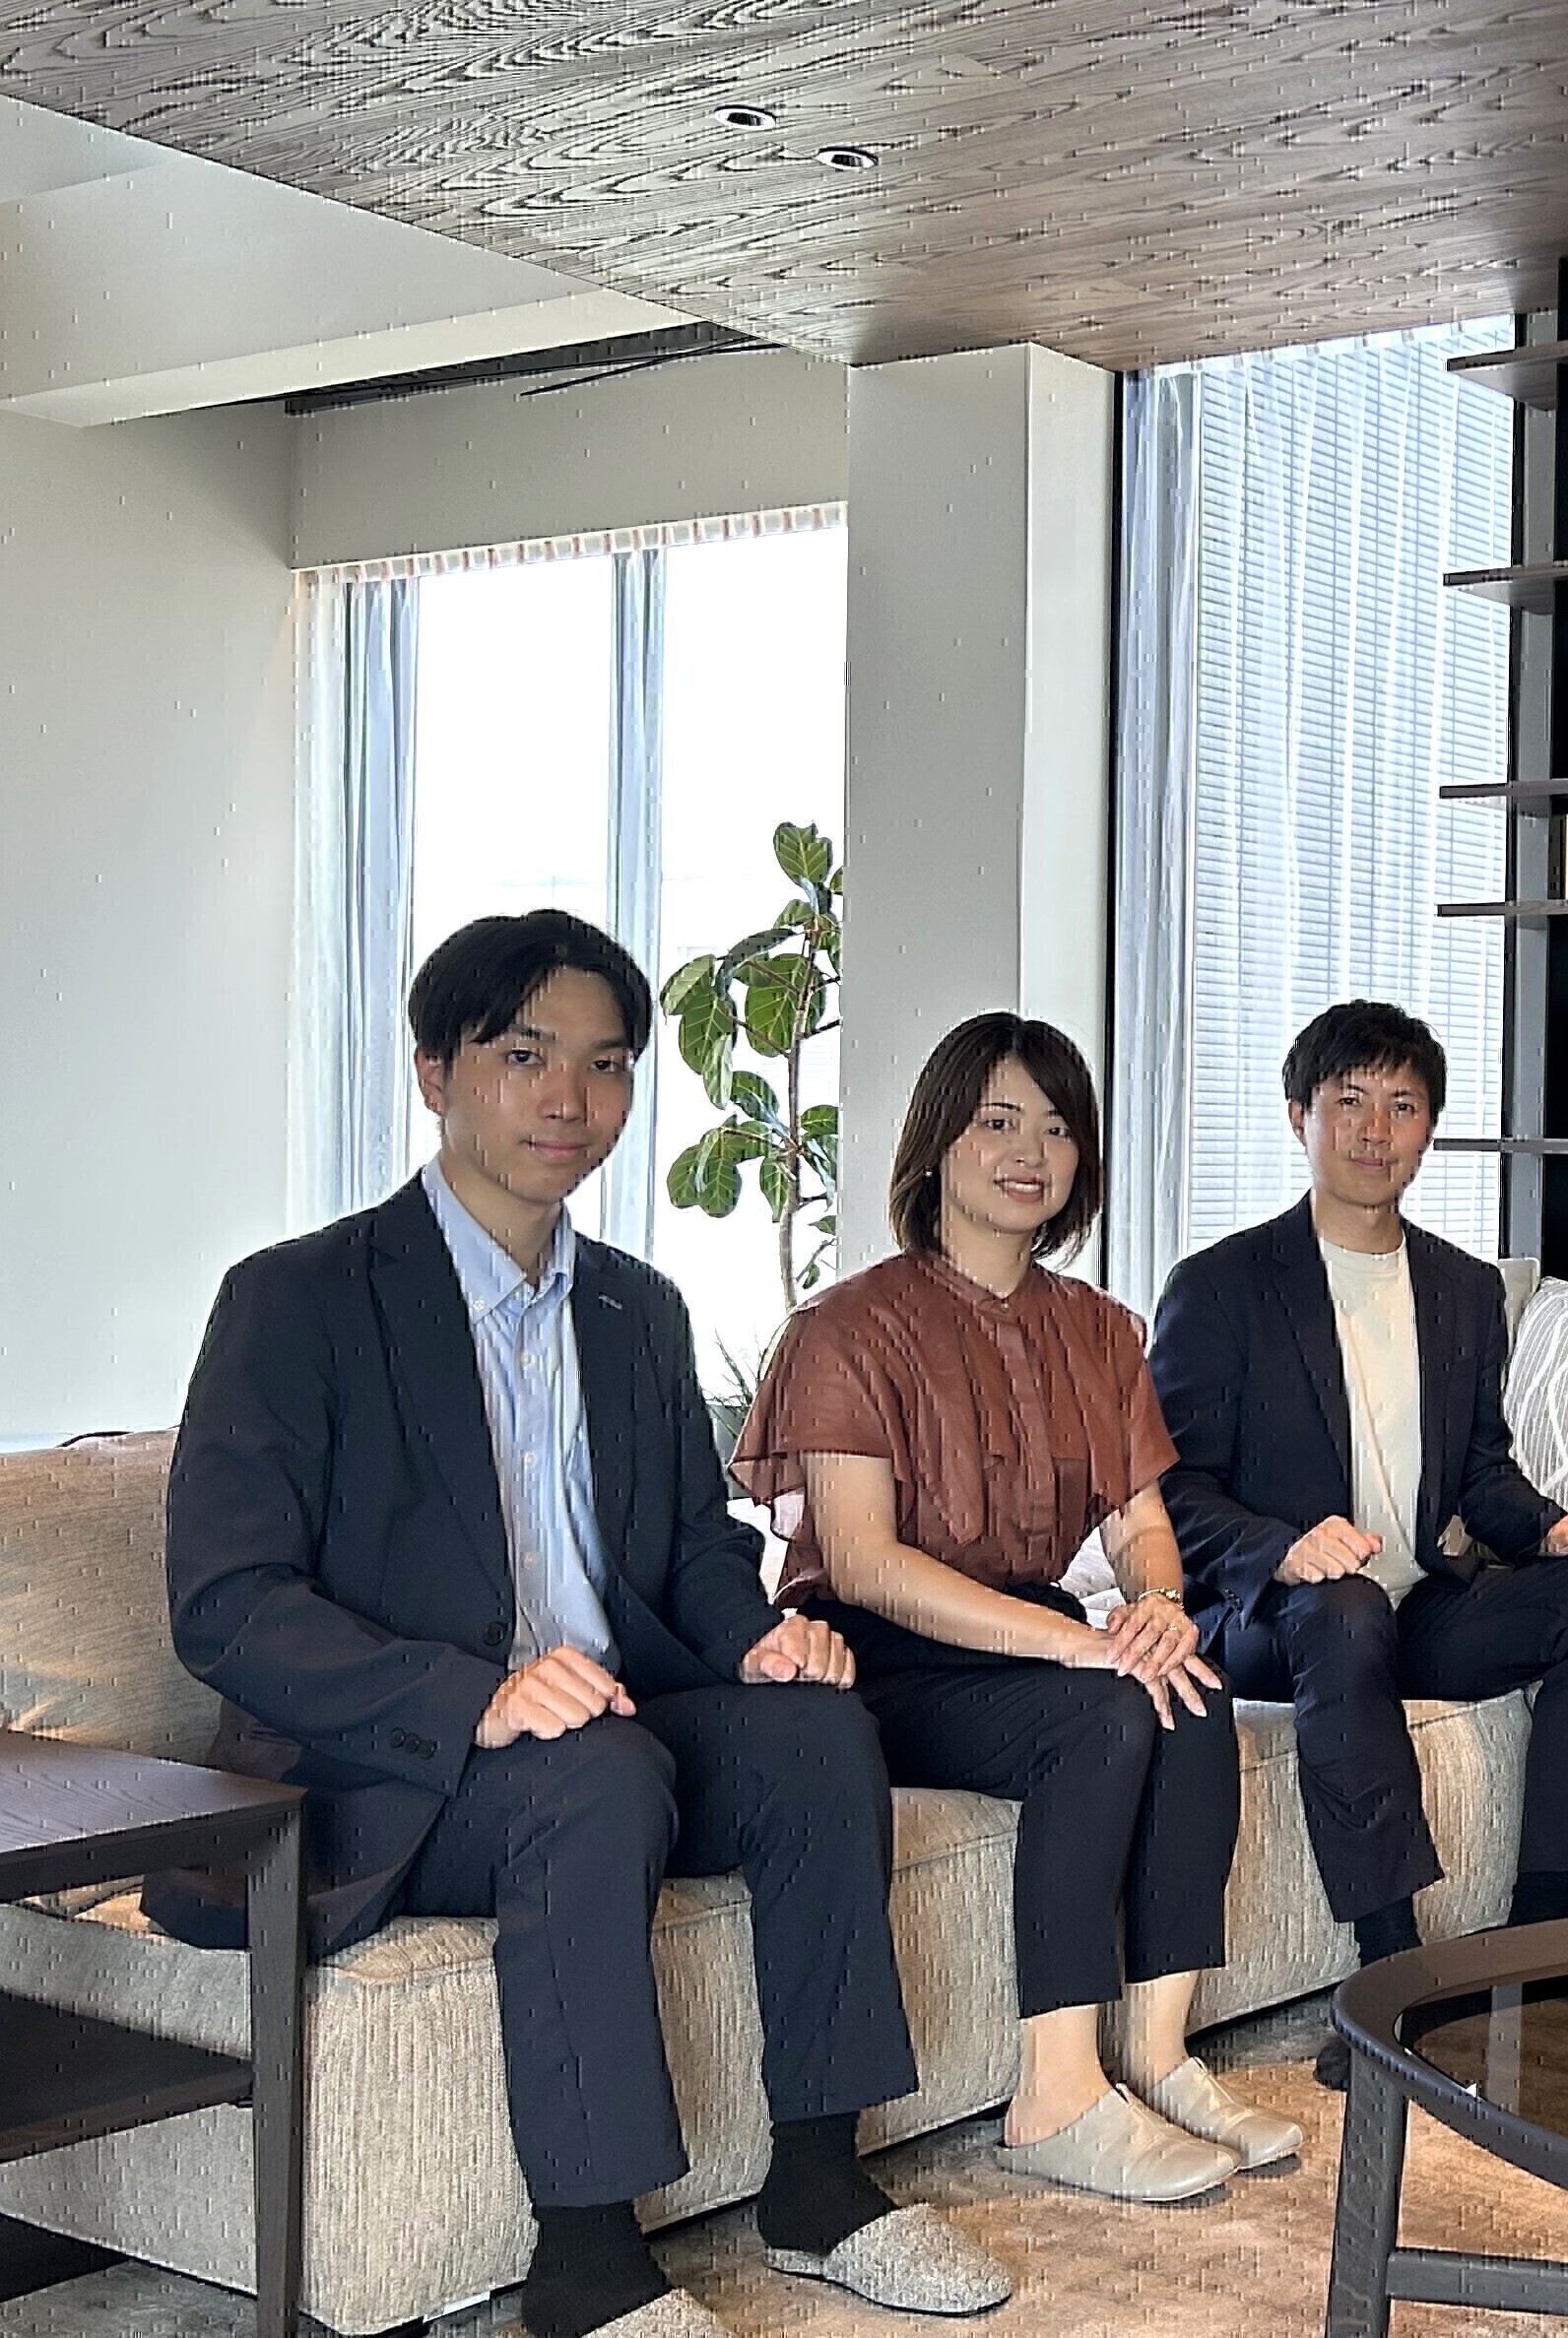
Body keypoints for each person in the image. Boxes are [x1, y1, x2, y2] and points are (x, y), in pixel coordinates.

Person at [149, 912, 1009, 2338]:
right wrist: (473, 1695)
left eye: (606, 1065)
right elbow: (225, 1601)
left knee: (815, 1733)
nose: (570, 1099)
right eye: (525, 1055)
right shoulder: (297, 1300)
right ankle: (589, 2263)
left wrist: (753, 1641)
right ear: (436, 1072)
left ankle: (818, 2183)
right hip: (395, 1766)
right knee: (588, 1776)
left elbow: (691, 1545)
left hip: (614, 1724)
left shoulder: (635, 1310)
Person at [734, 1013, 1296, 2202]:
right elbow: (865, 1563)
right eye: (997, 1121)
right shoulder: (845, 1327)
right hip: (884, 1652)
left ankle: (1158, 2055)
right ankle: (1055, 2095)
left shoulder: (1096, 1327)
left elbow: (1140, 1521)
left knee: (1190, 1691)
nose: (1029, 1151)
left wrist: (1156, 1606)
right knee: (1103, 1713)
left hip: (1026, 1631)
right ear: (938, 1142)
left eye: (1055, 1127)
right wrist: (1079, 1645)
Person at [1148, 1002, 1568, 2086]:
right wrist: (1280, 1548)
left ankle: (1548, 1935)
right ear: (1300, 1116)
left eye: (1403, 1105)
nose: (1376, 1130)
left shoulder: (1464, 1290)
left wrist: (1552, 1528)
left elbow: (1479, 1473)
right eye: (1350, 1102)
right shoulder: (1222, 1287)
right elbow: (1171, 1488)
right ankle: (1386, 1976)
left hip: (1414, 1605)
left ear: (1429, 1128)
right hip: (1271, 1619)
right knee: (1343, 1609)